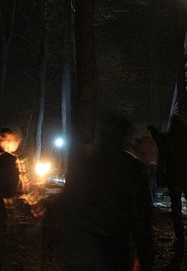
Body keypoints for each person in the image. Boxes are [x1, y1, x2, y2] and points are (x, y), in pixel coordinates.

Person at [59, 110, 154, 270]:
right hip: (112, 251)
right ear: (124, 136)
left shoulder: (84, 163)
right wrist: (146, 256)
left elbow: (67, 202)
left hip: (80, 249)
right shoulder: (131, 168)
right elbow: (141, 217)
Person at [161, 113, 187, 253]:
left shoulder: (169, 137)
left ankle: (180, 237)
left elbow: (163, 157)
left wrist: (161, 173)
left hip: (174, 176)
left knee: (176, 207)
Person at [0, 127, 22, 235]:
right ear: (10, 141)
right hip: (8, 198)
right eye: (16, 141)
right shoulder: (16, 160)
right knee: (9, 223)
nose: (17, 145)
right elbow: (26, 186)